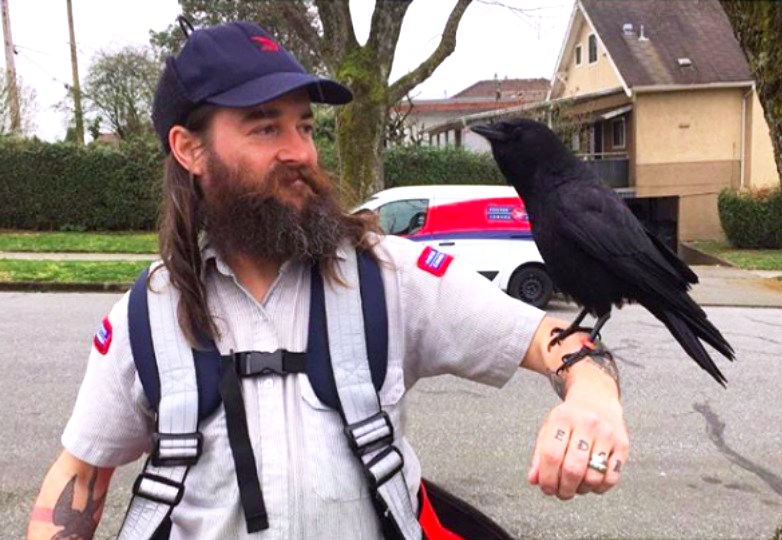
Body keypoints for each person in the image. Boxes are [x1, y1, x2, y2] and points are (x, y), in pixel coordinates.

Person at [27, 20, 629, 540]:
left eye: (306, 127)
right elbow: (79, 477)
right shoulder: (147, 314)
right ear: (189, 149)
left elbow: (557, 341)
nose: (301, 153)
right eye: (266, 128)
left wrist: (593, 397)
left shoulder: (391, 277)